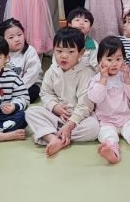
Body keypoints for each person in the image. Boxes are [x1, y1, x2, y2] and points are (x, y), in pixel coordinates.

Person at [25, 28, 100, 157]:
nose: (63, 56)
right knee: (30, 112)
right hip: (57, 115)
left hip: (78, 119)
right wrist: (54, 106)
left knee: (93, 128)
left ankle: (52, 136)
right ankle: (53, 138)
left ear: (81, 53)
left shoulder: (86, 72)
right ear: (53, 50)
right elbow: (45, 93)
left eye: (70, 52)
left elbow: (85, 105)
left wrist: (70, 125)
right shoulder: (53, 70)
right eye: (59, 51)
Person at [88, 37, 130, 164]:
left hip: (126, 118)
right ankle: (112, 153)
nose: (114, 64)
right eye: (109, 59)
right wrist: (103, 79)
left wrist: (127, 79)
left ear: (124, 59)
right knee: (108, 136)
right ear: (100, 61)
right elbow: (95, 98)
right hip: (106, 121)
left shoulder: (124, 76)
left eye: (118, 59)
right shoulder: (97, 78)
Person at [0, 18, 42, 104]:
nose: (17, 39)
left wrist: (17, 89)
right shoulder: (0, 53)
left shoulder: (30, 51)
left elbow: (32, 75)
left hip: (28, 84)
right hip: (6, 86)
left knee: (33, 92)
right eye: (11, 37)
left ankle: (14, 102)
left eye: (19, 34)